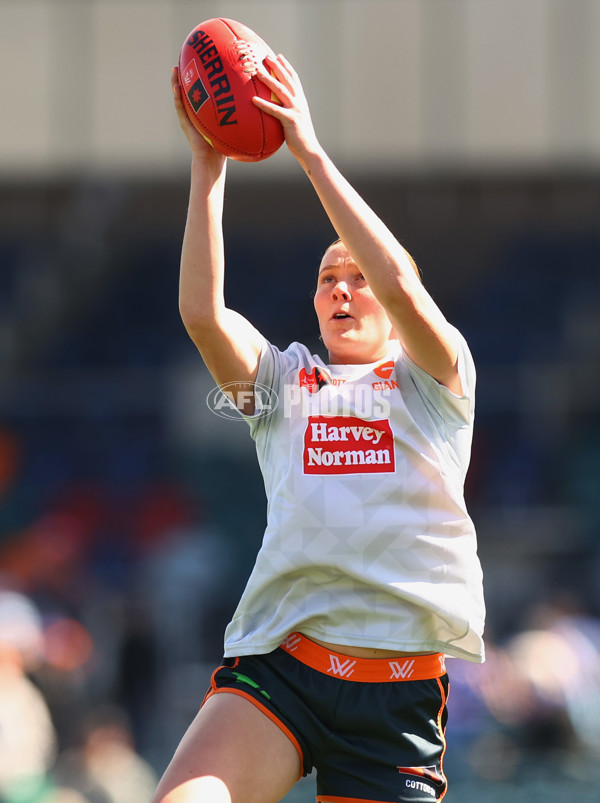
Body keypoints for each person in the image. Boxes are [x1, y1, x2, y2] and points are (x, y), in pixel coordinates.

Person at [153, 52, 485, 803]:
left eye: (356, 277)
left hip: (393, 698)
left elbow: (399, 278)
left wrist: (306, 148)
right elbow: (203, 315)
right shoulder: (283, 381)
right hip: (283, 671)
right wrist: (209, 165)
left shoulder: (435, 380)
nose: (340, 288)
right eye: (326, 278)